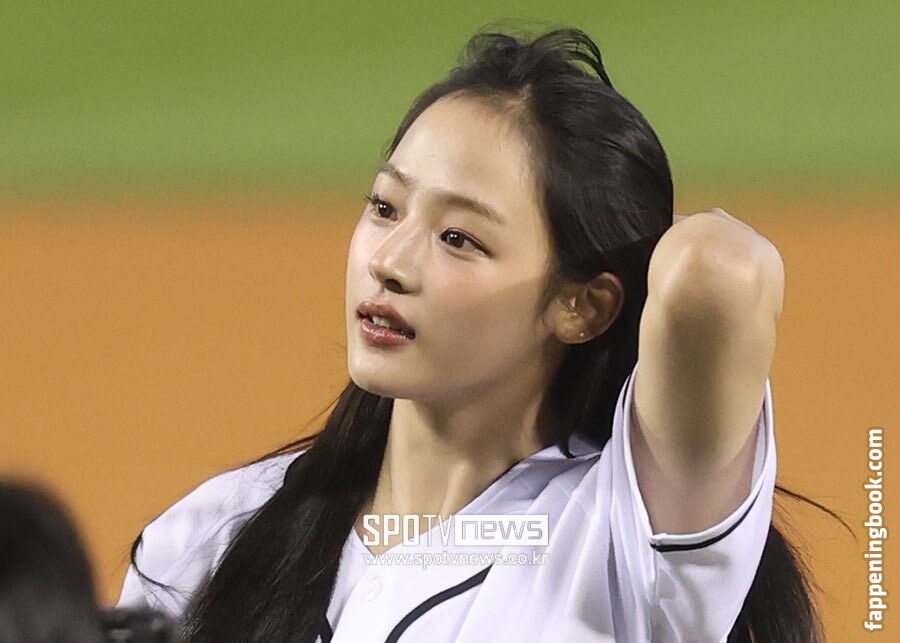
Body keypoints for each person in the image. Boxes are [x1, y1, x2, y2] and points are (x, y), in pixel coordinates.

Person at [116, 27, 827, 642]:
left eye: (459, 238)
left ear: (583, 307)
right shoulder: (212, 533)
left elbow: (718, 270)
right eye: (385, 207)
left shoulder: (620, 545)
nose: (389, 263)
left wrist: (622, 231)